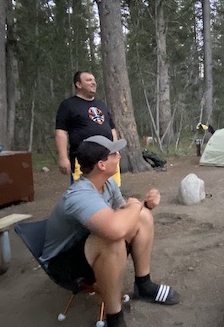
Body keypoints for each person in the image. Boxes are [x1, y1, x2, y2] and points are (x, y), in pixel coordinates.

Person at [41, 135, 180, 327]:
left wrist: (144, 206)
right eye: (114, 153)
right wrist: (135, 206)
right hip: (63, 263)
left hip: (87, 245)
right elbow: (116, 229)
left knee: (143, 218)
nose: (119, 155)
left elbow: (125, 216)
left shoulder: (107, 184)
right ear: (102, 165)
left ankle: (144, 285)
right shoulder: (80, 194)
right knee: (112, 240)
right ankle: (114, 317)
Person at [55, 71, 121, 186]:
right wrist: (63, 157)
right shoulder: (68, 105)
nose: (93, 83)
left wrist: (115, 149)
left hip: (107, 158)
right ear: (78, 85)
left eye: (94, 80)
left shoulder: (101, 105)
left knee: (111, 192)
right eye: (89, 80)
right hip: (84, 160)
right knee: (85, 194)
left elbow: (112, 129)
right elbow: (61, 132)